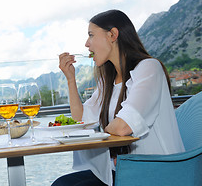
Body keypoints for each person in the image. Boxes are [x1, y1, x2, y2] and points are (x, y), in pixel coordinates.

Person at [53, 10, 185, 186]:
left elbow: (123, 126)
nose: (86, 44)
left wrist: (104, 136)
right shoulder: (108, 80)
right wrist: (70, 80)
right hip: (125, 170)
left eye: (91, 35)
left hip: (154, 173)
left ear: (113, 35)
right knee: (62, 184)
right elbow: (80, 119)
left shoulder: (149, 68)